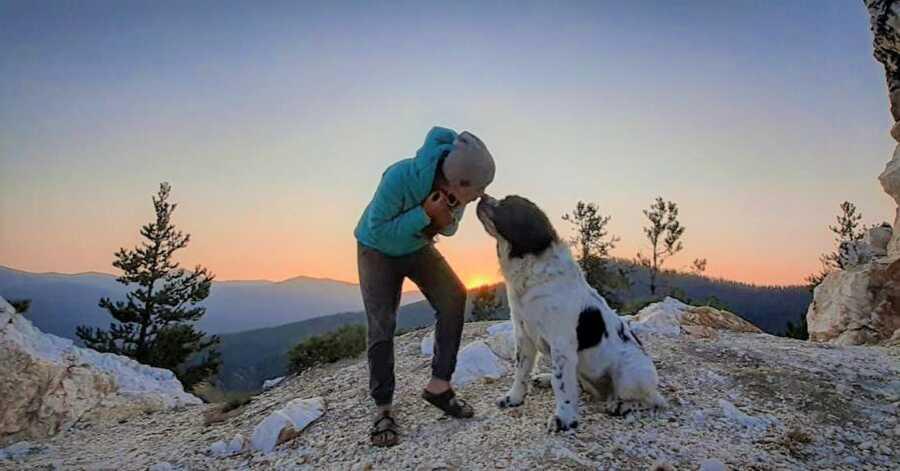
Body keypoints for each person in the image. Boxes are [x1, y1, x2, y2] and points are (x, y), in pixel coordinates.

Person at [354, 126, 495, 447]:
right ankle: (383, 407)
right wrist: (424, 214)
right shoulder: (400, 177)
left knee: (453, 296)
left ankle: (439, 387)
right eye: (479, 188)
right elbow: (380, 231)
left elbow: (449, 230)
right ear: (460, 182)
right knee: (382, 321)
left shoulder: (456, 194)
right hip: (377, 249)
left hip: (416, 246)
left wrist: (440, 219)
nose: (481, 195)